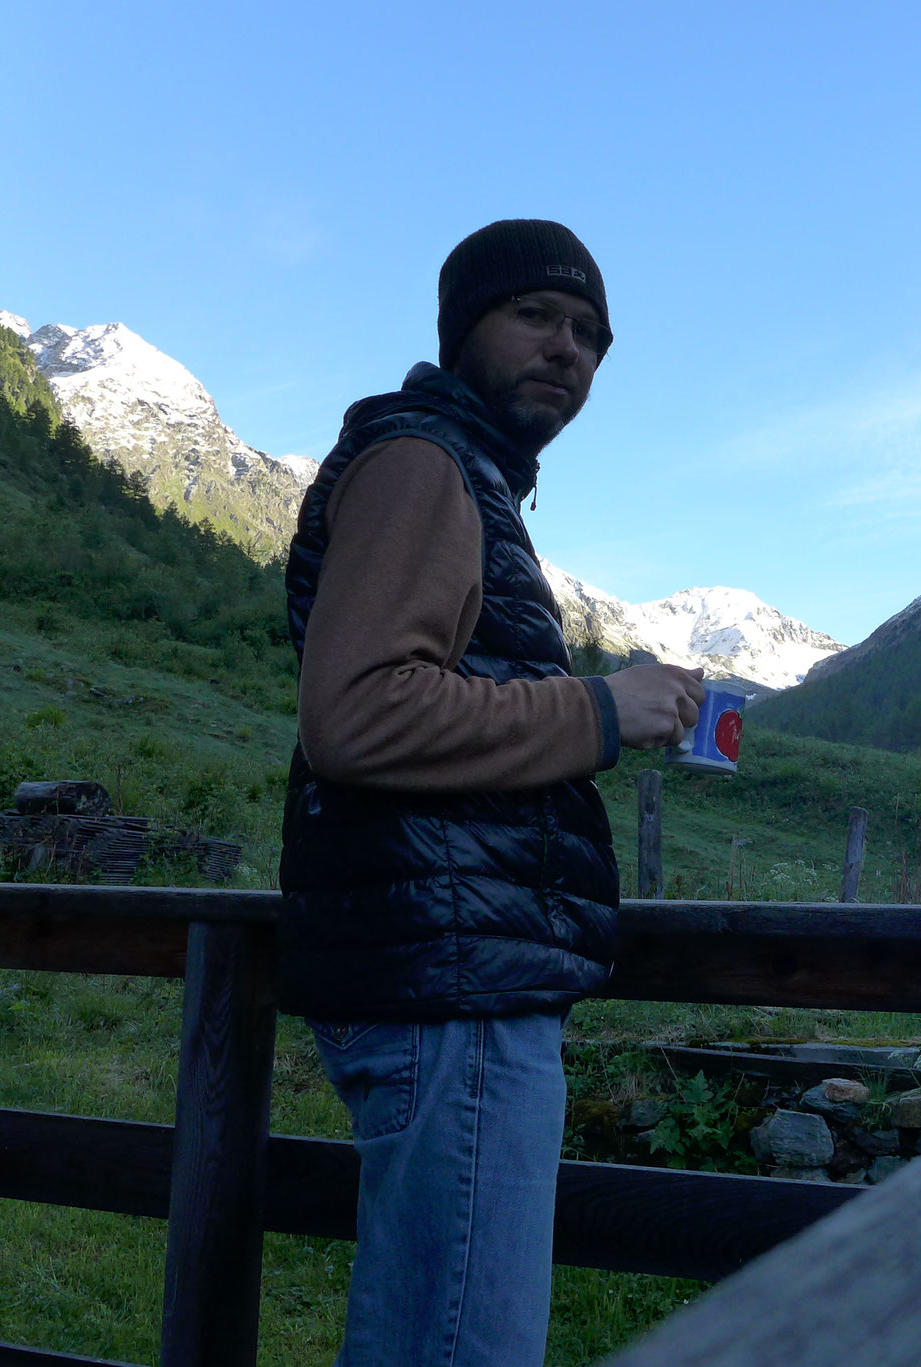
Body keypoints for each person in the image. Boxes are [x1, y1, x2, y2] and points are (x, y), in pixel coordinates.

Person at [277, 219, 704, 1365]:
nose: (568, 350)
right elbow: (357, 712)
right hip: (450, 977)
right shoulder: (422, 465)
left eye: (591, 336)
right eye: (536, 317)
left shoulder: (465, 477)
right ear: (463, 329)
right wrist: (601, 711)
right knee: (460, 1346)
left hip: (460, 965)